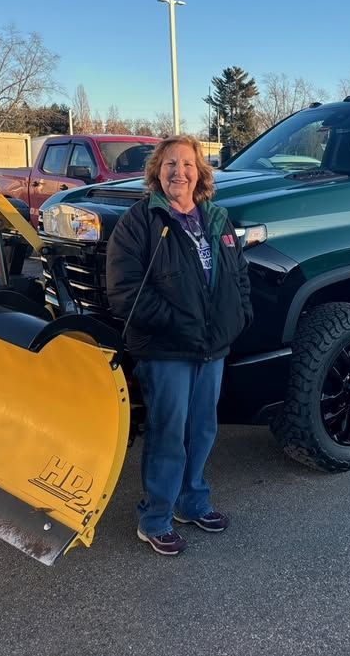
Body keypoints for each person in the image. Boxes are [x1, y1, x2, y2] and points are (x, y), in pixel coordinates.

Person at [105, 134, 253, 556]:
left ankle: (193, 502)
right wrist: (179, 326)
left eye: (188, 164)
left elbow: (239, 274)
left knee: (202, 429)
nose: (179, 172)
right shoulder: (140, 222)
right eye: (170, 164)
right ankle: (155, 518)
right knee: (169, 432)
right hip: (166, 349)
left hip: (212, 348)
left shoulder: (217, 219)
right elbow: (126, 292)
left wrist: (239, 315)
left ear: (200, 173)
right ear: (157, 172)